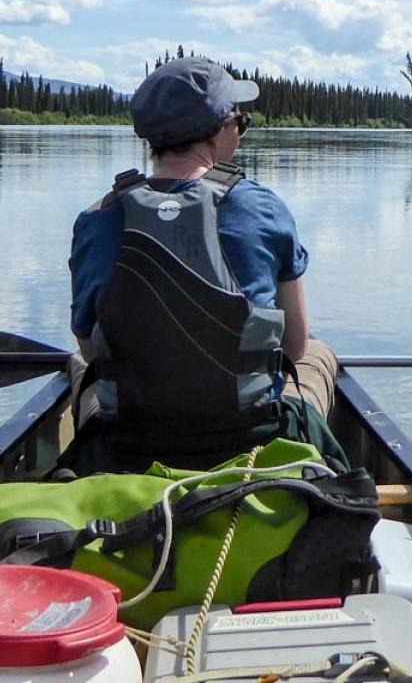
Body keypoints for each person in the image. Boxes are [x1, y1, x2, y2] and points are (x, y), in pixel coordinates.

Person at [66, 56, 345, 475]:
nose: (240, 129)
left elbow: (90, 349)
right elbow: (295, 345)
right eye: (239, 120)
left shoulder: (96, 219)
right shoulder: (263, 208)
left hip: (130, 441)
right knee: (318, 354)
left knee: (75, 362)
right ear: (218, 131)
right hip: (249, 437)